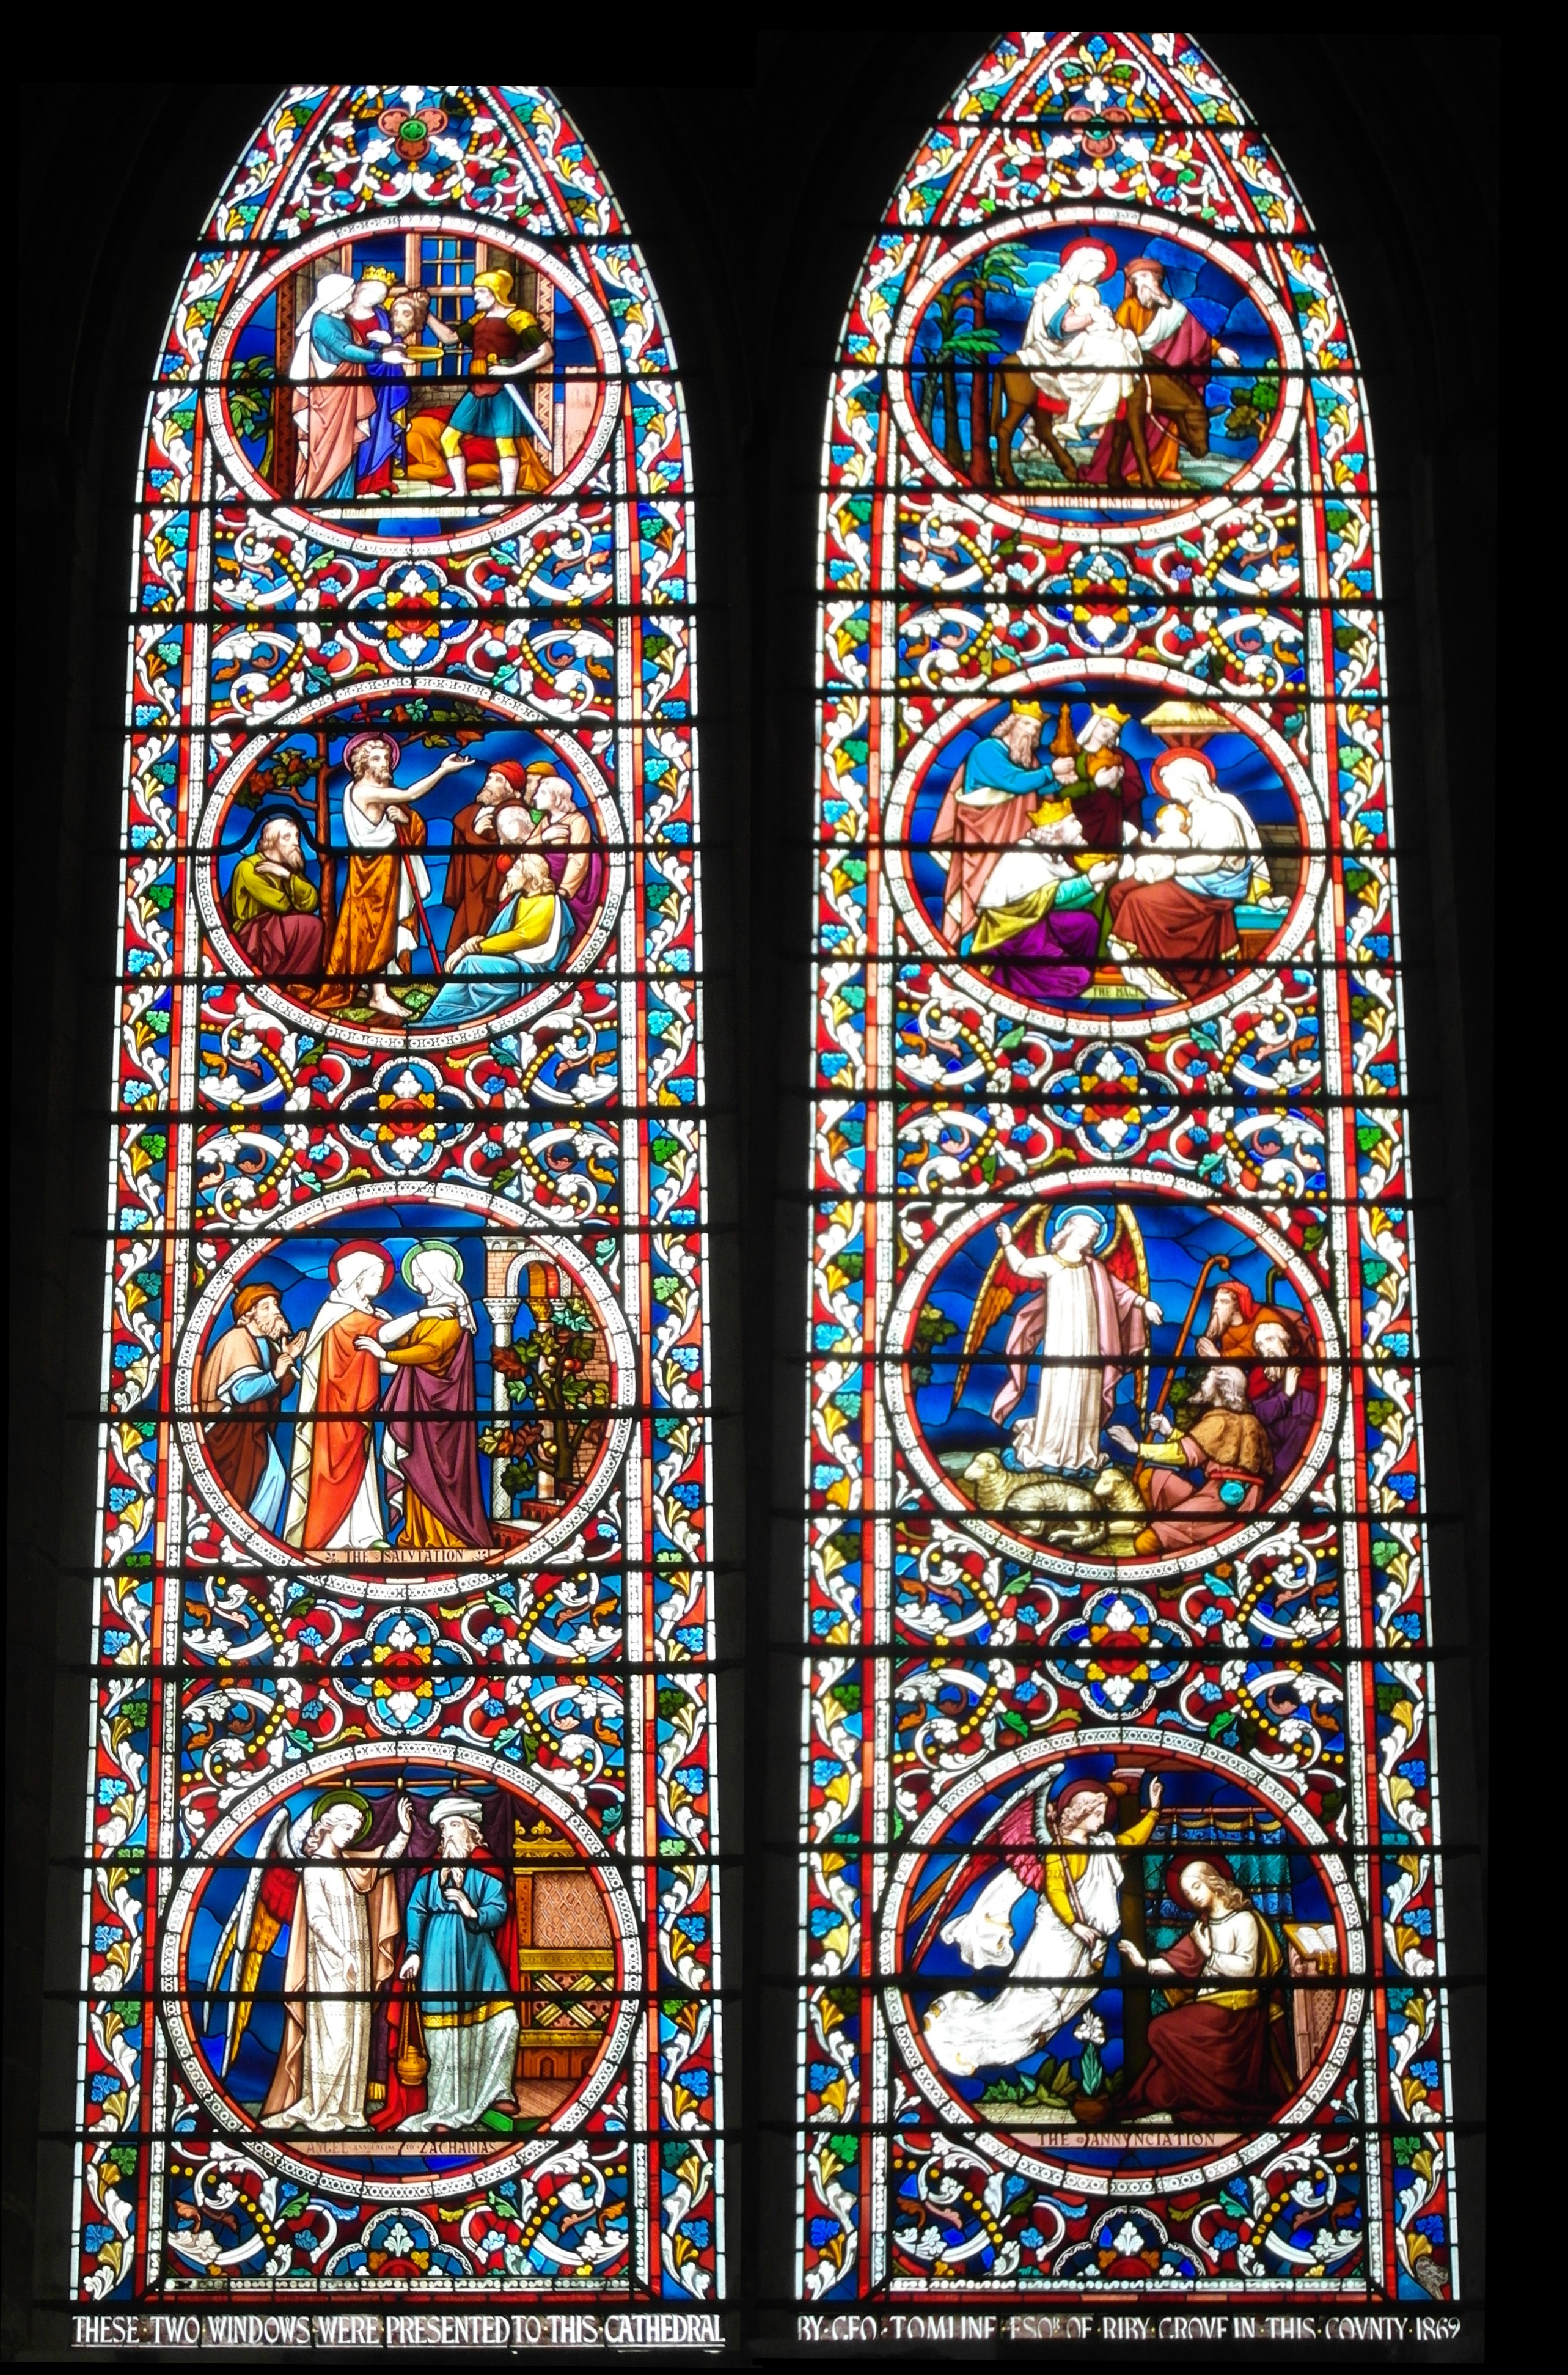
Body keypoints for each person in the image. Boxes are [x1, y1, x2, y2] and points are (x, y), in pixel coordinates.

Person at [924, 1774, 1162, 2079]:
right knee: (1031, 2003)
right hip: (1057, 1939)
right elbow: (1056, 1890)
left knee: (1061, 2006)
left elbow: (1130, 1841)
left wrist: (1154, 1812)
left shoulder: (1101, 1847)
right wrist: (1075, 1925)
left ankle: (991, 2048)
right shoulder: (1057, 1852)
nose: (1103, 1821)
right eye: (1098, 1813)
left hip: (1089, 1945)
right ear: (1081, 1811)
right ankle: (956, 2036)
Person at [259, 1788, 413, 2133]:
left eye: (355, 1830)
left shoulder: (351, 1864)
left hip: (357, 1962)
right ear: (328, 1826)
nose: (351, 1836)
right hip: (330, 1964)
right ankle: (319, 2107)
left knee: (357, 2032)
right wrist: (343, 1954)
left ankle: (348, 2109)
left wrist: (404, 1833)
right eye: (347, 1828)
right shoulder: (314, 1869)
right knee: (334, 2037)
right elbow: (317, 1919)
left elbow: (384, 1862)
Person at [990, 1207, 1162, 1476]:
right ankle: (1047, 1449)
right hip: (1061, 1343)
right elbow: (1021, 1266)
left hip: (1091, 1344)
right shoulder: (1051, 1263)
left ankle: (1082, 1453)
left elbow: (1121, 1292)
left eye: (1091, 1238)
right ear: (1068, 1232)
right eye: (1083, 1235)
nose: (1086, 1241)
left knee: (1086, 1396)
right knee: (1059, 1393)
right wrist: (1008, 1243)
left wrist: (1144, 1303)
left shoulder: (1095, 1269)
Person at [1119, 1857, 1292, 2123]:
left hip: (1237, 2011)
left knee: (1159, 2029)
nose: (1193, 1896)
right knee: (1158, 2092)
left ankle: (1222, 2102)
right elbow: (1179, 1963)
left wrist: (1210, 1953)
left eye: (1196, 1887)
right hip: (1210, 2008)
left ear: (1214, 1882)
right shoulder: (1203, 1925)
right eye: (1188, 1893)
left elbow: (1247, 1968)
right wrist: (1144, 1964)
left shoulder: (1244, 1919)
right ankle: (1206, 2095)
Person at [316, 733, 475, 1018]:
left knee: (385, 927)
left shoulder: (376, 790)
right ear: (362, 764)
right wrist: (443, 770)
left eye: (387, 757)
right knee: (375, 929)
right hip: (372, 875)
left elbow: (404, 819)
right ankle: (378, 996)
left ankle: (375, 987)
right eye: (377, 758)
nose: (385, 762)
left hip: (387, 869)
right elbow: (409, 795)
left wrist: (404, 820)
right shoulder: (363, 791)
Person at [1107, 748, 1274, 1000]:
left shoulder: (1218, 813)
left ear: (1193, 782)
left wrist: (1172, 867)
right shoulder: (1189, 815)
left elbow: (1213, 860)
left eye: (1173, 786)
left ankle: (1168, 972)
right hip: (1190, 880)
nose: (1171, 794)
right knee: (1119, 892)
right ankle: (1141, 960)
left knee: (1136, 901)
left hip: (1212, 888)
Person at [397, 1795, 521, 2132]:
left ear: (471, 1830)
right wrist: (413, 1951)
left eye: (454, 1825)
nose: (447, 1834)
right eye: (443, 1828)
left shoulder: (485, 1872)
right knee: (444, 2035)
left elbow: (499, 1909)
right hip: (438, 1960)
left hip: (479, 1958)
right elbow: (416, 1911)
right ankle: (444, 2108)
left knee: (505, 2022)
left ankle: (497, 2091)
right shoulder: (430, 1878)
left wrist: (471, 1910)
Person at [362, 1243, 494, 1552]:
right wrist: (392, 1330)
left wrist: (385, 1354)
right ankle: (417, 1537)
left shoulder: (451, 1316)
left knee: (434, 1474)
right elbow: (399, 1342)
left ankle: (448, 1539)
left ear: (437, 1276)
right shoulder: (432, 1314)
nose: (416, 1280)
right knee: (415, 1469)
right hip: (419, 1405)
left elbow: (430, 1352)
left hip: (441, 1416)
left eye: (421, 1274)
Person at [1086, 256, 1240, 486]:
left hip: (1170, 378)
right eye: (1137, 279)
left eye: (1148, 277)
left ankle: (1164, 467)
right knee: (1129, 423)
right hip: (1137, 376)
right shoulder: (1128, 308)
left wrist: (1220, 352)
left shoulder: (1176, 312)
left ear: (1158, 279)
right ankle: (1128, 469)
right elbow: (1116, 341)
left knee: (1174, 419)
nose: (1143, 283)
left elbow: (1198, 337)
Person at [282, 1243, 393, 1554]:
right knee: (333, 1472)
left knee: (363, 1470)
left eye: (381, 1276)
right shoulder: (343, 1316)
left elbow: (381, 1362)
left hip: (359, 1410)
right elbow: (372, 1338)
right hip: (334, 1412)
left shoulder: (368, 1315)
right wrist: (419, 1319)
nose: (379, 1283)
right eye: (374, 1276)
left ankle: (367, 1535)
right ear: (357, 1278)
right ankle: (330, 1538)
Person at [931, 702, 1063, 949]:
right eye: (1026, 724)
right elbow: (1013, 781)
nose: (1031, 732)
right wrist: (1051, 773)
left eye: (1036, 729)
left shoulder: (1030, 762)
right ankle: (964, 952)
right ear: (1010, 724)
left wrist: (1060, 780)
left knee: (1016, 896)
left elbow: (1039, 790)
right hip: (981, 840)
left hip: (1016, 839)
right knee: (977, 894)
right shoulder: (986, 751)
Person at [1113, 1363, 1272, 1549]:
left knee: (1148, 1542)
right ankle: (1157, 1525)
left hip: (1224, 1503)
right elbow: (1205, 1450)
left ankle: (1168, 1543)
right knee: (1151, 1479)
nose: (1203, 1383)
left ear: (1222, 1387)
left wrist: (1136, 1448)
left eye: (1207, 1379)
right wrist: (1169, 1432)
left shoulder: (1221, 1421)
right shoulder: (1246, 1421)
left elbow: (1185, 1454)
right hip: (1216, 1492)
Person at [421, 850, 573, 1046]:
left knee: (471, 964)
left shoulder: (547, 901)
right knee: (472, 965)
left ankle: (435, 1018)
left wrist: (475, 947)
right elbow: (506, 935)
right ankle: (448, 1015)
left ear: (530, 874)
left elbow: (524, 937)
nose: (509, 873)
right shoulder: (521, 899)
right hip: (514, 962)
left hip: (531, 969)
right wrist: (474, 945)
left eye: (516, 868)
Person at [197, 1282, 306, 1533]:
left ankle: (255, 1534)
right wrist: (277, 1373)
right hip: (230, 1431)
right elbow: (242, 1393)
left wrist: (289, 1359)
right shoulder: (237, 1340)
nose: (276, 1311)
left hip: (254, 1430)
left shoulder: (266, 1344)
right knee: (255, 1481)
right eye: (266, 1307)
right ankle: (246, 1536)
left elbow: (278, 1391)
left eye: (276, 1305)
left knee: (271, 1478)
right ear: (249, 1314)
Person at [437, 270, 554, 501]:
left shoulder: (518, 317)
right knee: (448, 438)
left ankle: (507, 497)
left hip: (505, 386)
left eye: (481, 292)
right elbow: (449, 339)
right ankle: (461, 490)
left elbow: (546, 351)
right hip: (478, 385)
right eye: (476, 292)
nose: (476, 297)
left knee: (505, 442)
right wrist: (426, 315)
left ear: (496, 292)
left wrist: (511, 370)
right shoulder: (479, 319)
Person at [1016, 238, 1144, 445]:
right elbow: (1059, 327)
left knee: (1126, 340)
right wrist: (1091, 318)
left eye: (1100, 274)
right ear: (1080, 264)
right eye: (1094, 271)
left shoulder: (1085, 292)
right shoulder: (1058, 287)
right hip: (1057, 348)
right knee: (1115, 352)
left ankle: (1114, 402)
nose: (1096, 277)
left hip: (1079, 343)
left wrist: (1109, 325)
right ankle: (1088, 422)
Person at [288, 272, 381, 502]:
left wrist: (375, 344)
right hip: (328, 398)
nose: (351, 299)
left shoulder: (340, 319)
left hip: (344, 395)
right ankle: (320, 496)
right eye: (348, 294)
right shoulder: (322, 323)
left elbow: (351, 348)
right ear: (334, 296)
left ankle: (344, 496)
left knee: (346, 444)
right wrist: (380, 356)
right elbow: (344, 350)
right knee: (328, 448)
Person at [442, 760, 531, 957]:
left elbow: (507, 852)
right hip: (469, 891)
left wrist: (474, 836)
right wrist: (472, 834)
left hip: (492, 892)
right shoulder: (472, 812)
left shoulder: (514, 815)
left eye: (498, 780)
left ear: (512, 791)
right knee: (455, 945)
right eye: (489, 778)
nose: (489, 783)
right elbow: (462, 837)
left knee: (481, 943)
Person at [225, 816, 324, 983]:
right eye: (287, 837)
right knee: (310, 925)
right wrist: (291, 886)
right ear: (272, 842)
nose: (295, 843)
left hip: (277, 928)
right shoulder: (249, 867)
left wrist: (287, 875)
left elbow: (311, 901)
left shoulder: (288, 869)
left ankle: (298, 985)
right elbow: (282, 905)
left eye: (297, 836)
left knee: (314, 925)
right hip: (253, 934)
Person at [1250, 1316, 1317, 1477]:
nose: (1266, 1348)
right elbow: (1260, 1416)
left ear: (1285, 1341)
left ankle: (1280, 1479)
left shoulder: (1307, 1374)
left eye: (1270, 1340)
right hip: (1269, 1442)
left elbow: (1314, 1416)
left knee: (1305, 1428)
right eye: (1260, 1345)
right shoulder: (1258, 1377)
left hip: (1301, 1444)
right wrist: (1285, 1395)